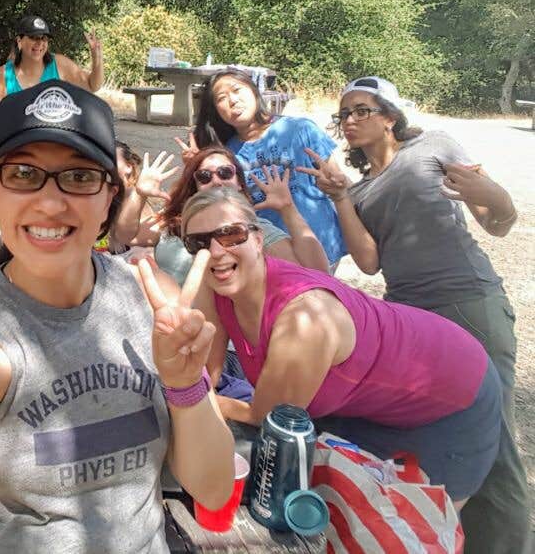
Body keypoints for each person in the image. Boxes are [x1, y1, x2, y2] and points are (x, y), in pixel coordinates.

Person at [0, 81, 235, 552]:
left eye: (79, 177)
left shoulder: (150, 302)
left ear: (109, 199)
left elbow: (213, 487)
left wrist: (186, 383)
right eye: (23, 173)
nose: (50, 201)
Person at [298, 75, 529, 553]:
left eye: (363, 109)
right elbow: (368, 262)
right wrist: (340, 196)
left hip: (466, 303)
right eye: (345, 114)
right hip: (413, 323)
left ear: (389, 115)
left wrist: (492, 193)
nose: (352, 119)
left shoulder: (433, 147)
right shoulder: (361, 190)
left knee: (496, 444)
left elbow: (499, 223)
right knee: (437, 435)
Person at [184, 188, 502, 511]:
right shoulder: (219, 284)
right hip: (362, 403)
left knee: (415, 527)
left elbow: (266, 415)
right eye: (199, 243)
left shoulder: (304, 318)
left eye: (230, 235)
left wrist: (196, 400)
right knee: (346, 511)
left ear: (257, 238)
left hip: (451, 394)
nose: (215, 251)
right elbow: (206, 372)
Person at [186, 67, 346, 268]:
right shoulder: (225, 155)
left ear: (254, 91)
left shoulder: (301, 129)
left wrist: (335, 184)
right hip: (271, 252)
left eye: (237, 90)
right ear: (216, 111)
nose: (233, 101)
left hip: (322, 244)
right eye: (221, 98)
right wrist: (196, 168)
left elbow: (337, 179)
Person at [153, 145, 328, 283]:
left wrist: (287, 209)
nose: (216, 181)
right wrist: (139, 196)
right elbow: (132, 236)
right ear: (195, 186)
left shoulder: (250, 229)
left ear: (239, 183)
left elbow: (318, 275)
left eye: (225, 173)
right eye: (205, 176)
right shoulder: (176, 217)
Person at [0, 15, 104, 100]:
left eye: (44, 38)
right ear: (19, 41)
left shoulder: (60, 64)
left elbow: (92, 86)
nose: (39, 43)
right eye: (33, 37)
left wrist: (97, 58)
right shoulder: (3, 74)